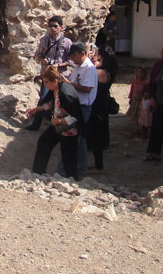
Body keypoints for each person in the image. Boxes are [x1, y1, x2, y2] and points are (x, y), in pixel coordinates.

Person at [27, 66, 85, 180]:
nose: (45, 85)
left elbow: (75, 118)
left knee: (68, 156)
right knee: (44, 142)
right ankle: (38, 173)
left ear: (55, 81)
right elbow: (52, 103)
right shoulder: (56, 90)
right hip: (57, 125)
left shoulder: (66, 93)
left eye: (47, 82)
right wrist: (37, 109)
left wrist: (58, 121)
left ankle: (72, 180)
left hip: (68, 129)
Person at [27, 15, 72, 131]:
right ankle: (36, 124)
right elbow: (37, 55)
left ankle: (62, 124)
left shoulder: (67, 42)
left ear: (61, 27)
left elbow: (71, 60)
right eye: (50, 26)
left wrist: (59, 65)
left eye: (55, 26)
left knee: (62, 99)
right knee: (43, 99)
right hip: (47, 75)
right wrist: (43, 59)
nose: (52, 28)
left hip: (61, 76)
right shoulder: (44, 40)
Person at [60, 42, 97, 177]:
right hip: (76, 105)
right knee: (77, 138)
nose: (72, 59)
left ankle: (68, 168)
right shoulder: (77, 67)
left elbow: (87, 89)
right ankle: (78, 167)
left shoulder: (89, 69)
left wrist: (69, 84)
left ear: (82, 54)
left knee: (75, 137)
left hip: (83, 107)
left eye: (74, 56)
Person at [88, 48, 114, 173]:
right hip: (99, 106)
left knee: (96, 136)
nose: (93, 56)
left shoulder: (100, 72)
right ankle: (97, 163)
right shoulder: (103, 70)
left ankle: (99, 165)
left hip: (98, 107)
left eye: (96, 55)